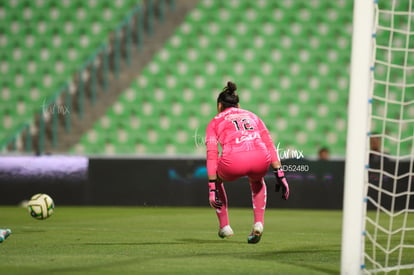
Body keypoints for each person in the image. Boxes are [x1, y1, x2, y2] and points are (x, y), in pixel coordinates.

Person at [205, 81, 289, 244]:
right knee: (257, 181)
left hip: (233, 161)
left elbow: (212, 155)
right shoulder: (252, 116)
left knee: (217, 179)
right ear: (238, 105)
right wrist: (280, 174)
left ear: (219, 105)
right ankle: (258, 223)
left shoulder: (215, 121)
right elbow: (270, 144)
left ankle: (225, 226)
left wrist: (212, 188)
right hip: (260, 159)